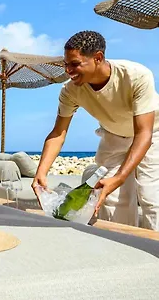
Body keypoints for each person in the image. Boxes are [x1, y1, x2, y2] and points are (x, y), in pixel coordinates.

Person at [32, 30, 159, 230]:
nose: (68, 70)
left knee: (152, 197)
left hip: (153, 134)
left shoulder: (136, 76)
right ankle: (122, 243)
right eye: (66, 64)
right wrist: (41, 172)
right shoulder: (70, 91)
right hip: (113, 136)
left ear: (98, 58)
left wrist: (120, 177)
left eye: (75, 64)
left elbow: (144, 133)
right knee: (111, 199)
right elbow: (58, 133)